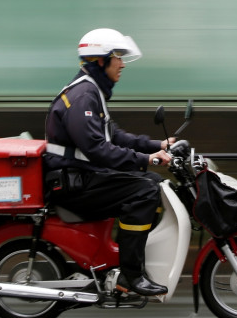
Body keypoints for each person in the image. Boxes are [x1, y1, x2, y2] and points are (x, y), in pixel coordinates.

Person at [44, 28, 173, 296]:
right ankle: (131, 273)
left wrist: (158, 146)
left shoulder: (91, 92)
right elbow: (98, 149)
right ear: (100, 60)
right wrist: (146, 159)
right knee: (146, 191)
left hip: (82, 176)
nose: (123, 64)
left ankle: (124, 255)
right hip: (74, 182)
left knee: (155, 184)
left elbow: (113, 135)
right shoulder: (83, 97)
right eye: (118, 57)